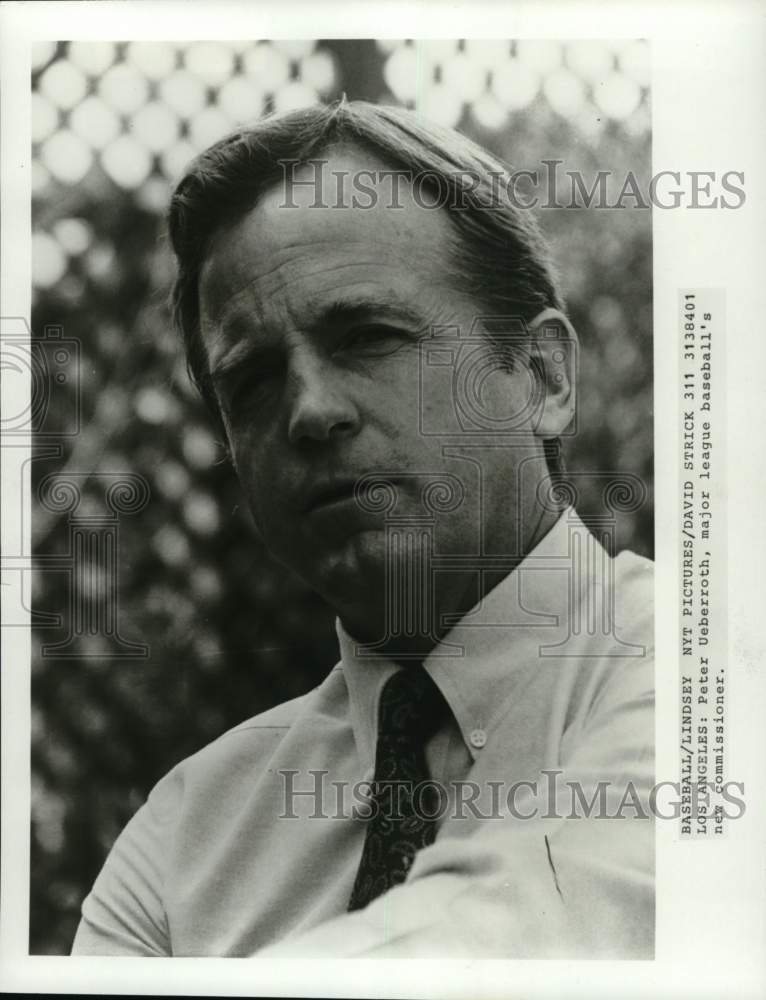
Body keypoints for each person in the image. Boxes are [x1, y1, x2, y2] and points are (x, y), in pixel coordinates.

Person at [72, 100, 654, 959]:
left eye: (369, 336)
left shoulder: (707, 668)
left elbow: (569, 919)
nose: (310, 411)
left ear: (540, 375)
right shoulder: (184, 840)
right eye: (254, 382)